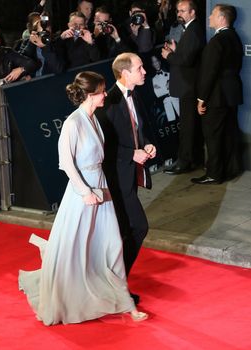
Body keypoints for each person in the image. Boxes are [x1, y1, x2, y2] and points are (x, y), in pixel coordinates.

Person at [19, 71, 148, 325]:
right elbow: (66, 163)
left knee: (111, 245)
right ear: (90, 94)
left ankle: (125, 302)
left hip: (102, 187)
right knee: (76, 248)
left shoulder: (93, 119)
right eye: (101, 91)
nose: (105, 95)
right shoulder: (73, 123)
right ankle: (71, 296)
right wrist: (85, 192)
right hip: (83, 193)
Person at [97, 53, 156, 297]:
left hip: (130, 176)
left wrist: (148, 144)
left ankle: (115, 283)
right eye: (140, 68)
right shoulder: (108, 102)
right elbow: (101, 145)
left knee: (124, 231)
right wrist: (131, 154)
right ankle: (116, 283)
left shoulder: (135, 96)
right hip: (116, 178)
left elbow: (138, 130)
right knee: (137, 227)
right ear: (125, 73)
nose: (144, 72)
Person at [191, 4, 243, 185]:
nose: (209, 17)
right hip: (231, 94)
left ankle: (214, 173)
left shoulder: (217, 41)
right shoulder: (234, 37)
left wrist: (201, 99)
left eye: (212, 14)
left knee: (213, 135)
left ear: (222, 18)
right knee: (228, 133)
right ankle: (230, 169)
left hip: (217, 96)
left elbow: (209, 73)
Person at [161, 0, 205, 174]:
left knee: (187, 127)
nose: (179, 14)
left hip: (188, 86)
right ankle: (190, 160)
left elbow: (187, 61)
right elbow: (187, 55)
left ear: (192, 12)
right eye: (178, 10)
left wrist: (169, 55)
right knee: (188, 125)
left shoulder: (193, 30)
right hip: (187, 85)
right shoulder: (190, 29)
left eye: (183, 11)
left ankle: (184, 162)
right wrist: (177, 50)